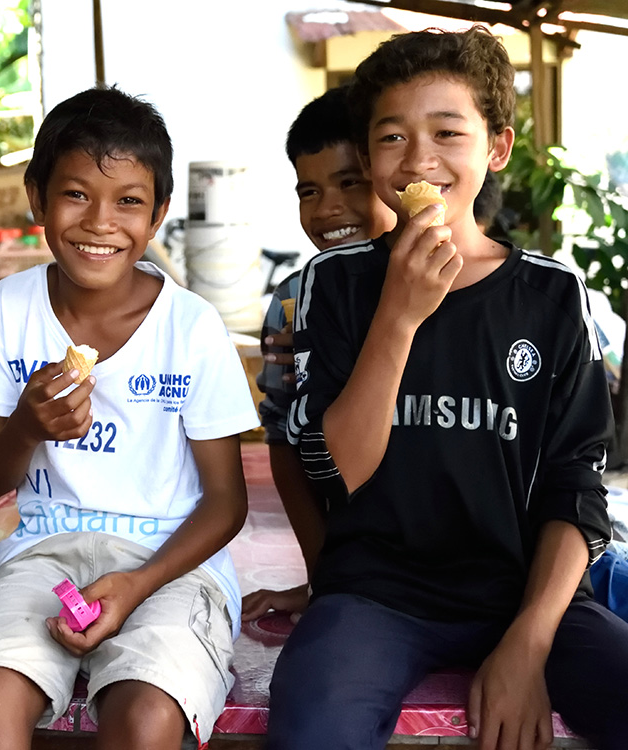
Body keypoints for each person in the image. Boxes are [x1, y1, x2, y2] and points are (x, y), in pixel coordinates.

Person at [267, 26, 628, 750]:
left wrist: (528, 642)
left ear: (495, 147)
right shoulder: (332, 286)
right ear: (369, 157)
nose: (420, 159)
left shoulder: (552, 295)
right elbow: (332, 466)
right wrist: (398, 316)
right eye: (392, 138)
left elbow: (576, 487)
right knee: (312, 729)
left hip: (525, 593)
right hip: (375, 596)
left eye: (447, 132)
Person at [0, 86, 259, 750]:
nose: (101, 222)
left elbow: (225, 503)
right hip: (43, 552)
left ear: (159, 213)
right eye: (76, 194)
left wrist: (135, 585)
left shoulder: (191, 327)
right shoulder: (6, 311)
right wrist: (27, 427)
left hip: (168, 561)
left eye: (129, 201)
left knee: (148, 714)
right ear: (37, 197)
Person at [243, 85, 395, 622]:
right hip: (357, 568)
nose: (328, 209)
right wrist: (322, 580)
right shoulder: (291, 305)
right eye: (308, 191)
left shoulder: (453, 283)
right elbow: (284, 441)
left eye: (350, 182)